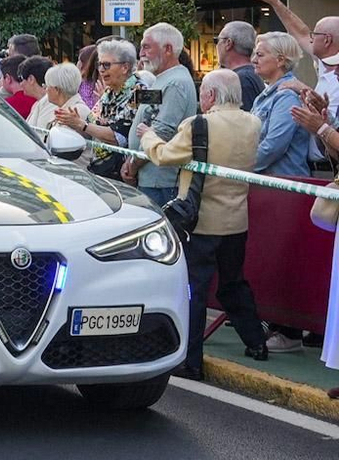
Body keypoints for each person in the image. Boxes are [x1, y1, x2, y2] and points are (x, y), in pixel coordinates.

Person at [141, 69, 269, 374]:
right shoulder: (253, 122)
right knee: (233, 283)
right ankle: (256, 341)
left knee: (194, 289)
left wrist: (147, 135)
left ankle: (191, 360)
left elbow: (164, 156)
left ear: (210, 95)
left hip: (200, 221)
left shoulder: (198, 124)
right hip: (237, 219)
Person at [123, 23, 197, 208]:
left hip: (160, 181)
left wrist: (132, 165)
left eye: (147, 47)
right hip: (150, 176)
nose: (141, 53)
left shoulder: (175, 83)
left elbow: (162, 132)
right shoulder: (163, 78)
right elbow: (145, 114)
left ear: (168, 49)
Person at [52, 38, 141, 180]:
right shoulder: (109, 92)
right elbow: (91, 127)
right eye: (99, 64)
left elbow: (118, 138)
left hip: (124, 176)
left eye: (106, 65)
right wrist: (72, 122)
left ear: (125, 67)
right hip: (100, 172)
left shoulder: (139, 92)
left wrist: (81, 124)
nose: (101, 70)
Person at [250, 31, 312, 177]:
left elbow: (273, 147)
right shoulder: (267, 95)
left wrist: (238, 167)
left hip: (284, 185)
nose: (253, 60)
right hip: (270, 182)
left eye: (260, 55)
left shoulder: (287, 96)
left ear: (281, 60)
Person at [28, 62, 94, 132]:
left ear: (57, 90)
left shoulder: (72, 113)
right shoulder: (68, 108)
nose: (46, 90)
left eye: (47, 86)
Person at [214, 21, 262, 109]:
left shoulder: (240, 79)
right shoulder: (252, 74)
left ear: (228, 43)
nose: (216, 45)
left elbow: (242, 120)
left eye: (217, 40)